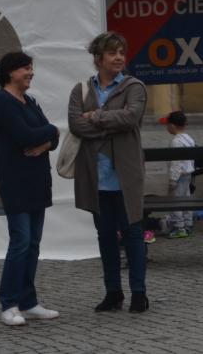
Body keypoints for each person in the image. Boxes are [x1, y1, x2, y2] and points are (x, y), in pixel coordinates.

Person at [68, 32, 149, 314]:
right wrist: (106, 121)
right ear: (98, 58)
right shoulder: (81, 90)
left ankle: (139, 293)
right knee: (105, 237)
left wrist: (97, 116)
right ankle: (113, 292)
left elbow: (131, 118)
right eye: (113, 53)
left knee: (133, 235)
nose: (119, 58)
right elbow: (77, 125)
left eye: (121, 53)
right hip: (96, 177)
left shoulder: (134, 86)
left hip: (125, 177)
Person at [0, 51, 60, 327]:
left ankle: (29, 302)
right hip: (15, 181)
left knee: (33, 244)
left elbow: (49, 137)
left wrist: (47, 139)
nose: (31, 73)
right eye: (26, 68)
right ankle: (8, 304)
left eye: (31, 68)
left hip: (37, 180)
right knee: (20, 243)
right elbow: (25, 136)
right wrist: (51, 131)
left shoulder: (29, 101)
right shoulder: (1, 102)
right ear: (10, 72)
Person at [161, 110, 195, 238]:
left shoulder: (176, 141)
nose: (167, 127)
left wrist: (172, 180)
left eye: (167, 124)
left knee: (175, 201)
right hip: (188, 173)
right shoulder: (188, 138)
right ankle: (188, 223)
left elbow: (176, 163)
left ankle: (178, 226)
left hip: (179, 176)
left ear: (173, 126)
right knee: (186, 199)